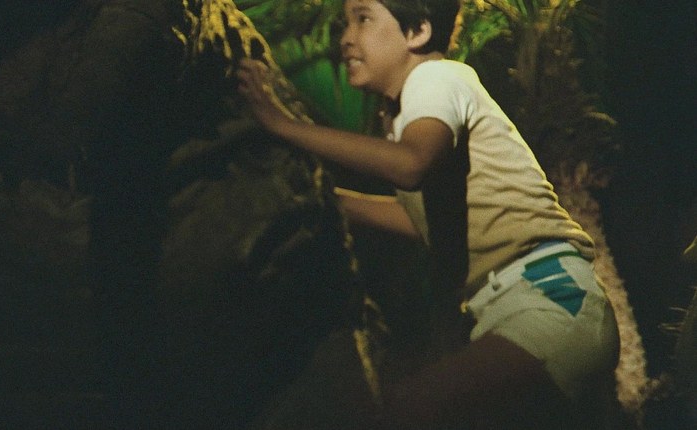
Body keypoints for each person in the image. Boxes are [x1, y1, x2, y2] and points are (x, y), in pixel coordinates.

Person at [237, 0, 619, 428]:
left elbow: (411, 164)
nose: (345, 38)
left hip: (550, 297)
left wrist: (283, 125)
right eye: (346, 23)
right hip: (527, 304)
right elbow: (420, 221)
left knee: (409, 409)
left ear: (418, 31)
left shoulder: (436, 77)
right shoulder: (406, 114)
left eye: (363, 19)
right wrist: (330, 200)